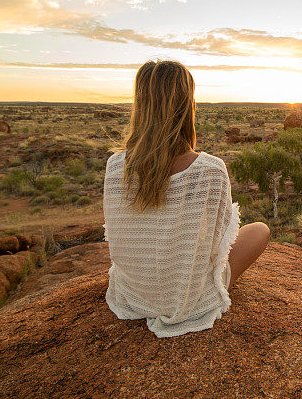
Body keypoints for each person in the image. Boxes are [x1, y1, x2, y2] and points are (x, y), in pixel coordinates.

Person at [102, 60, 269, 337]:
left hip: (131, 296)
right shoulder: (210, 170)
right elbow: (218, 249)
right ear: (186, 106)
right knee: (260, 230)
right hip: (188, 301)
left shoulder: (115, 166)